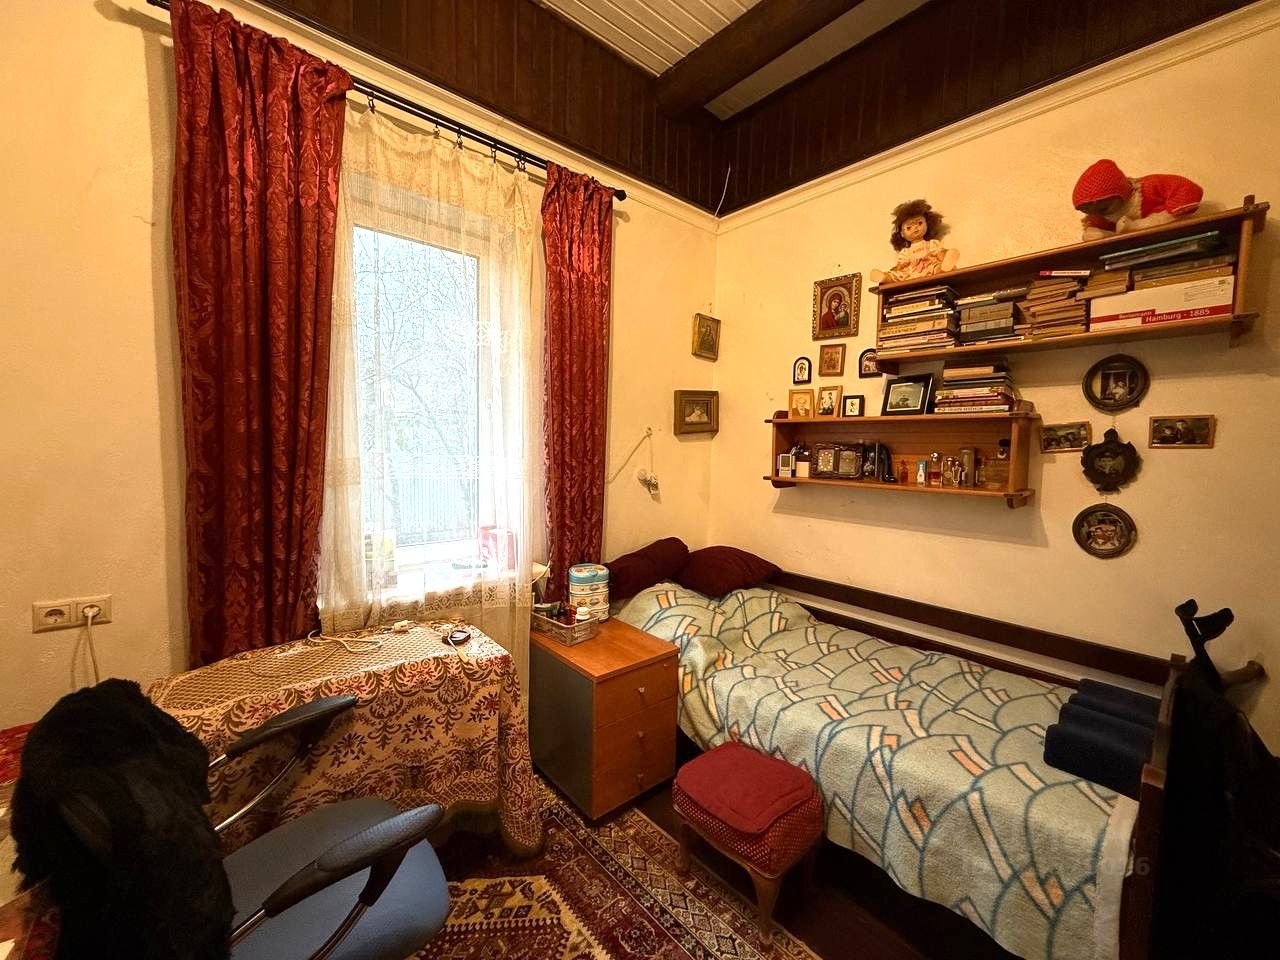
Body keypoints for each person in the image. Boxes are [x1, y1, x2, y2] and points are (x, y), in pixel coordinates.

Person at [870, 199, 959, 283]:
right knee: (899, 275)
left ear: (927, 224)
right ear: (902, 234)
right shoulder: (905, 252)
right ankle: (884, 277)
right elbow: (901, 266)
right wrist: (897, 268)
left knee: (936, 267)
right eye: (909, 227)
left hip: (929, 267)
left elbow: (939, 253)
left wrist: (945, 256)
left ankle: (946, 265)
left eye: (919, 223)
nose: (915, 227)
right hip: (911, 272)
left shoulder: (932, 244)